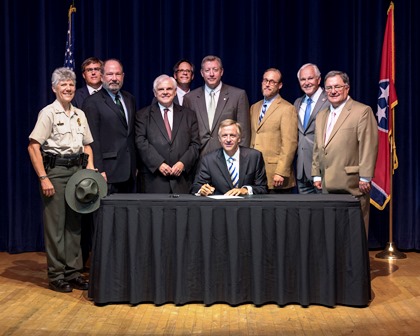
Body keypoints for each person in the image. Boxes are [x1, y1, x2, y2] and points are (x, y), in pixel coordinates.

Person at [27, 67, 95, 293]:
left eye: (71, 84)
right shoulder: (48, 113)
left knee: (74, 225)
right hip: (55, 172)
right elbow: (33, 146)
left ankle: (73, 272)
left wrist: (91, 169)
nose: (68, 88)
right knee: (56, 226)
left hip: (77, 171)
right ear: (54, 88)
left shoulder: (79, 114)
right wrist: (44, 178)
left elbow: (87, 145)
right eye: (63, 84)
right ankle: (56, 274)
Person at [311, 70, 378, 234]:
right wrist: (316, 174)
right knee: (332, 230)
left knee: (355, 231)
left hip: (352, 183)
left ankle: (356, 261)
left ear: (347, 88)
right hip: (327, 183)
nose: (332, 91)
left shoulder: (362, 111)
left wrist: (365, 176)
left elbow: (368, 145)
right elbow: (318, 146)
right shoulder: (321, 115)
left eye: (337, 87)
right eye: (329, 88)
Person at [135, 75, 200, 193]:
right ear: (155, 93)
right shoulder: (142, 115)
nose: (165, 92)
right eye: (161, 89)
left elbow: (195, 144)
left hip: (182, 181)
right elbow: (141, 142)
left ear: (175, 92)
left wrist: (182, 163)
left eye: (169, 89)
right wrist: (158, 163)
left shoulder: (189, 115)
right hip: (154, 180)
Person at [82, 58, 137, 194]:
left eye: (117, 74)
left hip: (130, 171)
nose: (114, 78)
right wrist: (99, 170)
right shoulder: (92, 102)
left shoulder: (129, 98)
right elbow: (92, 139)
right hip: (108, 172)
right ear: (102, 76)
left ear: (123, 76)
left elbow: (131, 134)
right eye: (110, 74)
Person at [183, 55, 250, 157]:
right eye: (207, 70)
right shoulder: (189, 98)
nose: (211, 74)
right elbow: (186, 133)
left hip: (228, 158)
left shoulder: (238, 95)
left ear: (221, 72)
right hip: (198, 161)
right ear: (202, 73)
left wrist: (241, 160)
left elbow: (243, 133)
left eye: (215, 70)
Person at [250, 68, 298, 193]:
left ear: (280, 85)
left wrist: (281, 172)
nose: (267, 84)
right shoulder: (254, 107)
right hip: (255, 174)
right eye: (265, 80)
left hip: (275, 175)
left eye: (272, 82)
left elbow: (289, 143)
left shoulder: (287, 108)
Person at [192, 119, 267, 196]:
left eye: (232, 135)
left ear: (239, 138)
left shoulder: (254, 157)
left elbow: (262, 188)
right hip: (219, 206)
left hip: (247, 206)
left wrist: (245, 190)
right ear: (219, 139)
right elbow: (196, 187)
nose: (228, 140)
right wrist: (202, 190)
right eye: (224, 136)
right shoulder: (208, 160)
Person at [294, 63, 330, 194]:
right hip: (302, 171)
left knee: (325, 213)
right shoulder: (298, 102)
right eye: (303, 79)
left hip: (323, 169)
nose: (306, 82)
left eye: (310, 78)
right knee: (305, 213)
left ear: (319, 80)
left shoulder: (329, 100)